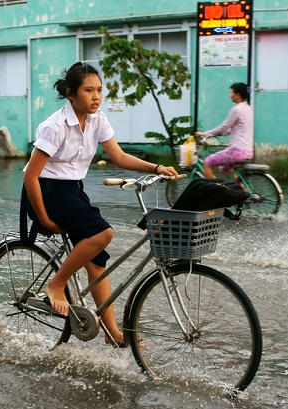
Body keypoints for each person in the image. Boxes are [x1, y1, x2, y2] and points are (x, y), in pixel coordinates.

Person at [22, 62, 177, 347]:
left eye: (99, 90)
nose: (96, 96)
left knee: (96, 260)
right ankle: (56, 284)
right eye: (88, 90)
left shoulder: (97, 120)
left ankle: (111, 332)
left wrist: (156, 168)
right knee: (102, 233)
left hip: (72, 191)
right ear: (71, 94)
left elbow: (119, 157)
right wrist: (43, 219)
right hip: (47, 191)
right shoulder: (55, 126)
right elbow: (31, 176)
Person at [194, 82, 254, 179]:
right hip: (247, 151)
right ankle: (243, 190)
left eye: (232, 93)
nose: (230, 95)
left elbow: (224, 127)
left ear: (237, 95)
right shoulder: (248, 108)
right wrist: (221, 132)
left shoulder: (237, 109)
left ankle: (215, 190)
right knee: (223, 168)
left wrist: (204, 134)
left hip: (237, 151)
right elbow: (231, 129)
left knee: (207, 162)